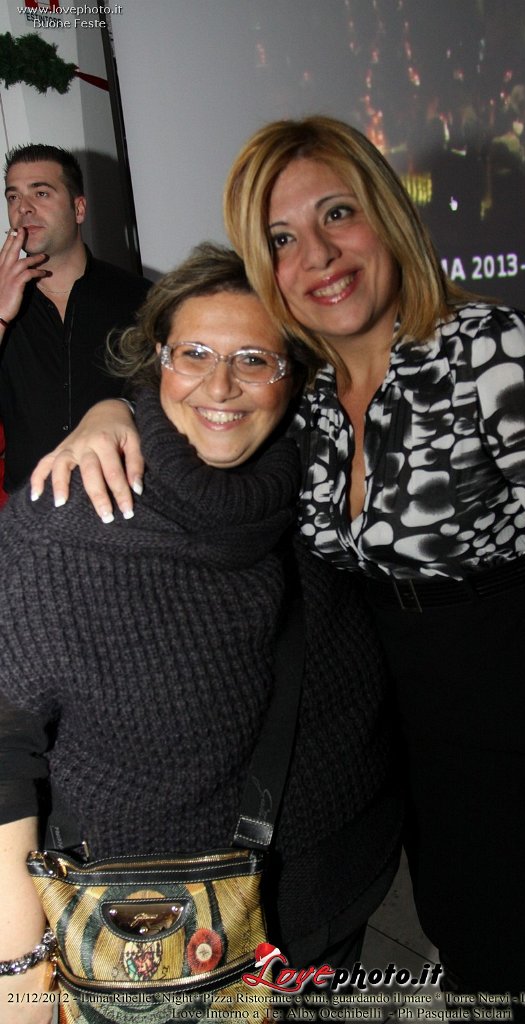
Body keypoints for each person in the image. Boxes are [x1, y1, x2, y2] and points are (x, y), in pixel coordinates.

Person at [30, 118, 525, 1019]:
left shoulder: (490, 349)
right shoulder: (308, 391)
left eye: (336, 214)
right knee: (470, 945)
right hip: (412, 735)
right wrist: (110, 413)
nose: (315, 254)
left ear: (386, 215)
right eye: (281, 238)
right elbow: (206, 389)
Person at [0, 244, 402, 1023]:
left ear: (294, 376)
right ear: (157, 360)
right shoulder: (69, 518)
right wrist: (18, 977)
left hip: (337, 897)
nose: (220, 386)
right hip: (166, 941)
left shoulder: (320, 484)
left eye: (253, 358)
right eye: (194, 354)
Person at [0, 144, 150, 492]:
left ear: (78, 208)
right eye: (13, 197)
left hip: (124, 496)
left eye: (40, 193)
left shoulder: (140, 298)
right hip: (29, 505)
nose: (23, 208)